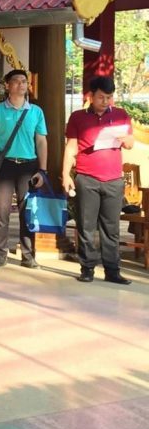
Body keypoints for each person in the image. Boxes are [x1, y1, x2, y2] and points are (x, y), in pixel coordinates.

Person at [62, 75, 134, 285]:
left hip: (114, 179)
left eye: (109, 97)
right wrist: (66, 174)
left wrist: (125, 139)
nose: (106, 101)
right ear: (90, 96)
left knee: (111, 228)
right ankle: (87, 269)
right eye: (101, 97)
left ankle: (113, 271)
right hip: (87, 178)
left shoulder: (120, 115)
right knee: (86, 225)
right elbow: (71, 147)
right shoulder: (77, 117)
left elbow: (130, 143)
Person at [0, 69, 48, 268]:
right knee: (1, 212)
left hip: (28, 166)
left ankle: (28, 255)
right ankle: (0, 254)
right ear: (7, 86)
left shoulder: (36, 112)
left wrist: (42, 170)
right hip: (5, 166)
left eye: (24, 81)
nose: (21, 84)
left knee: (27, 212)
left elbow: (41, 141)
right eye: (16, 81)